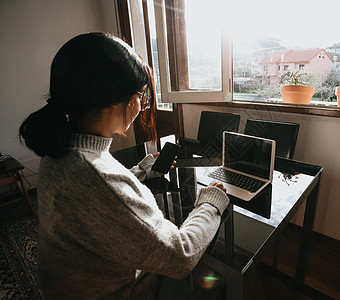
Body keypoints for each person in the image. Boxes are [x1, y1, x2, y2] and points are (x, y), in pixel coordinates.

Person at [19, 32, 229, 299]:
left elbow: (98, 198)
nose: (142, 105)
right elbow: (180, 255)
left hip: (78, 283)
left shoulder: (62, 150)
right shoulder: (92, 176)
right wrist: (210, 202)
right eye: (141, 95)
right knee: (213, 279)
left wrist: (140, 170)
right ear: (119, 100)